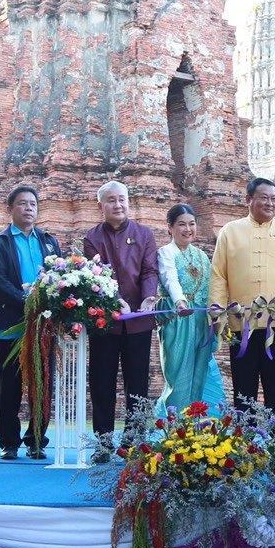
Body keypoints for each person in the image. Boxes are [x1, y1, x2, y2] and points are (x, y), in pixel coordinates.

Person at [209, 177, 275, 409]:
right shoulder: (230, 231)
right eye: (264, 198)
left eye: (274, 199)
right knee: (243, 390)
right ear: (248, 200)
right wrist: (216, 312)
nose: (270, 204)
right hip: (240, 325)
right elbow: (218, 275)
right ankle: (244, 441)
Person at [0, 185, 63, 460]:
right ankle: (9, 441)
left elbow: (59, 278)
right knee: (10, 386)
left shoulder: (49, 242)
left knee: (42, 384)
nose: (29, 208)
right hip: (11, 325)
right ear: (10, 209)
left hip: (43, 325)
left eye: (33, 204)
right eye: (22, 204)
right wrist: (26, 301)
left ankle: (37, 440)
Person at [83, 181, 159, 454]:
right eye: (111, 200)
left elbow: (150, 270)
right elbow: (97, 276)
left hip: (139, 320)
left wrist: (149, 297)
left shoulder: (144, 233)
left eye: (122, 199)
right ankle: (102, 443)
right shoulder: (92, 237)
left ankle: (133, 441)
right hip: (106, 322)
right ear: (101, 205)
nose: (118, 205)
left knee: (137, 384)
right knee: (102, 382)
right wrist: (116, 302)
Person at [155, 203, 224, 412]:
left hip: (202, 321)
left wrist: (218, 310)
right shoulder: (166, 253)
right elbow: (170, 279)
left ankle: (198, 429)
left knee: (201, 373)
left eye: (192, 224)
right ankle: (175, 430)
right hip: (178, 320)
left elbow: (213, 285)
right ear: (170, 227)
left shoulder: (202, 255)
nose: (188, 229)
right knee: (179, 374)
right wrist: (180, 302)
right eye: (181, 224)